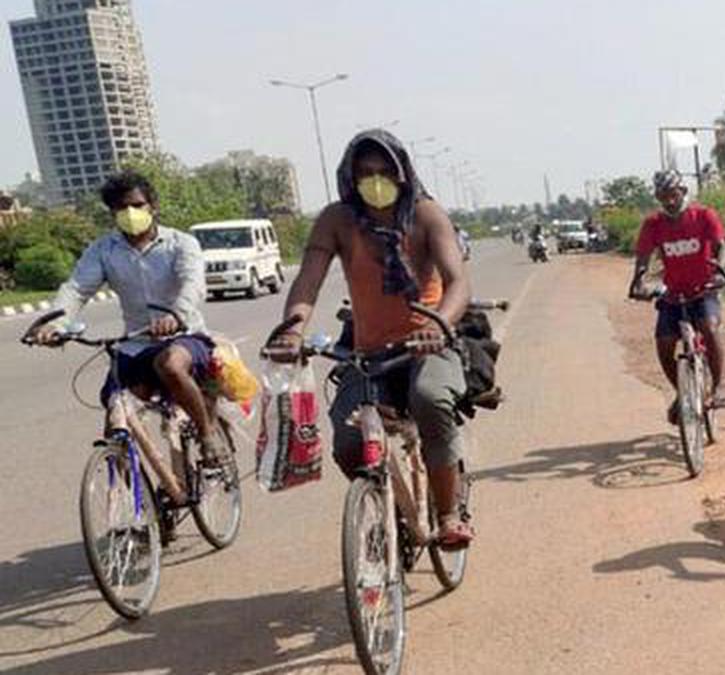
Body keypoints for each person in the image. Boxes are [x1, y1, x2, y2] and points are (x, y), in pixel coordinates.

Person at [266, 129, 474, 546]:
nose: (374, 181)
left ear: (402, 174)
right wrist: (292, 329)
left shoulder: (426, 214)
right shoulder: (336, 220)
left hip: (426, 345)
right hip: (369, 354)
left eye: (384, 172)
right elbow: (308, 282)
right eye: (364, 173)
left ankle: (450, 514)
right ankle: (387, 504)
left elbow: (458, 283)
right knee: (346, 442)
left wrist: (438, 326)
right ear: (350, 177)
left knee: (431, 399)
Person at [26, 171, 223, 503]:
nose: (130, 214)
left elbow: (193, 284)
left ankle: (207, 436)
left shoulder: (180, 244)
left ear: (153, 206)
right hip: (135, 344)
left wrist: (175, 314)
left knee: (171, 366)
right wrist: (55, 325)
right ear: (112, 213)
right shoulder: (104, 250)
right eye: (121, 208)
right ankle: (137, 509)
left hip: (185, 336)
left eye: (137, 205)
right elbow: (76, 289)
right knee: (116, 416)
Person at [629, 169, 725, 425]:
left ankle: (718, 388)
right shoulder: (653, 224)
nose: (669, 201)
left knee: (709, 328)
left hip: (703, 290)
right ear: (658, 197)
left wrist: (719, 272)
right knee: (663, 343)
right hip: (673, 294)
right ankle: (683, 392)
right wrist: (638, 281)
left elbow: (722, 247)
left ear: (683, 191)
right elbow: (643, 257)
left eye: (673, 194)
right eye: (663, 196)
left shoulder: (703, 216)